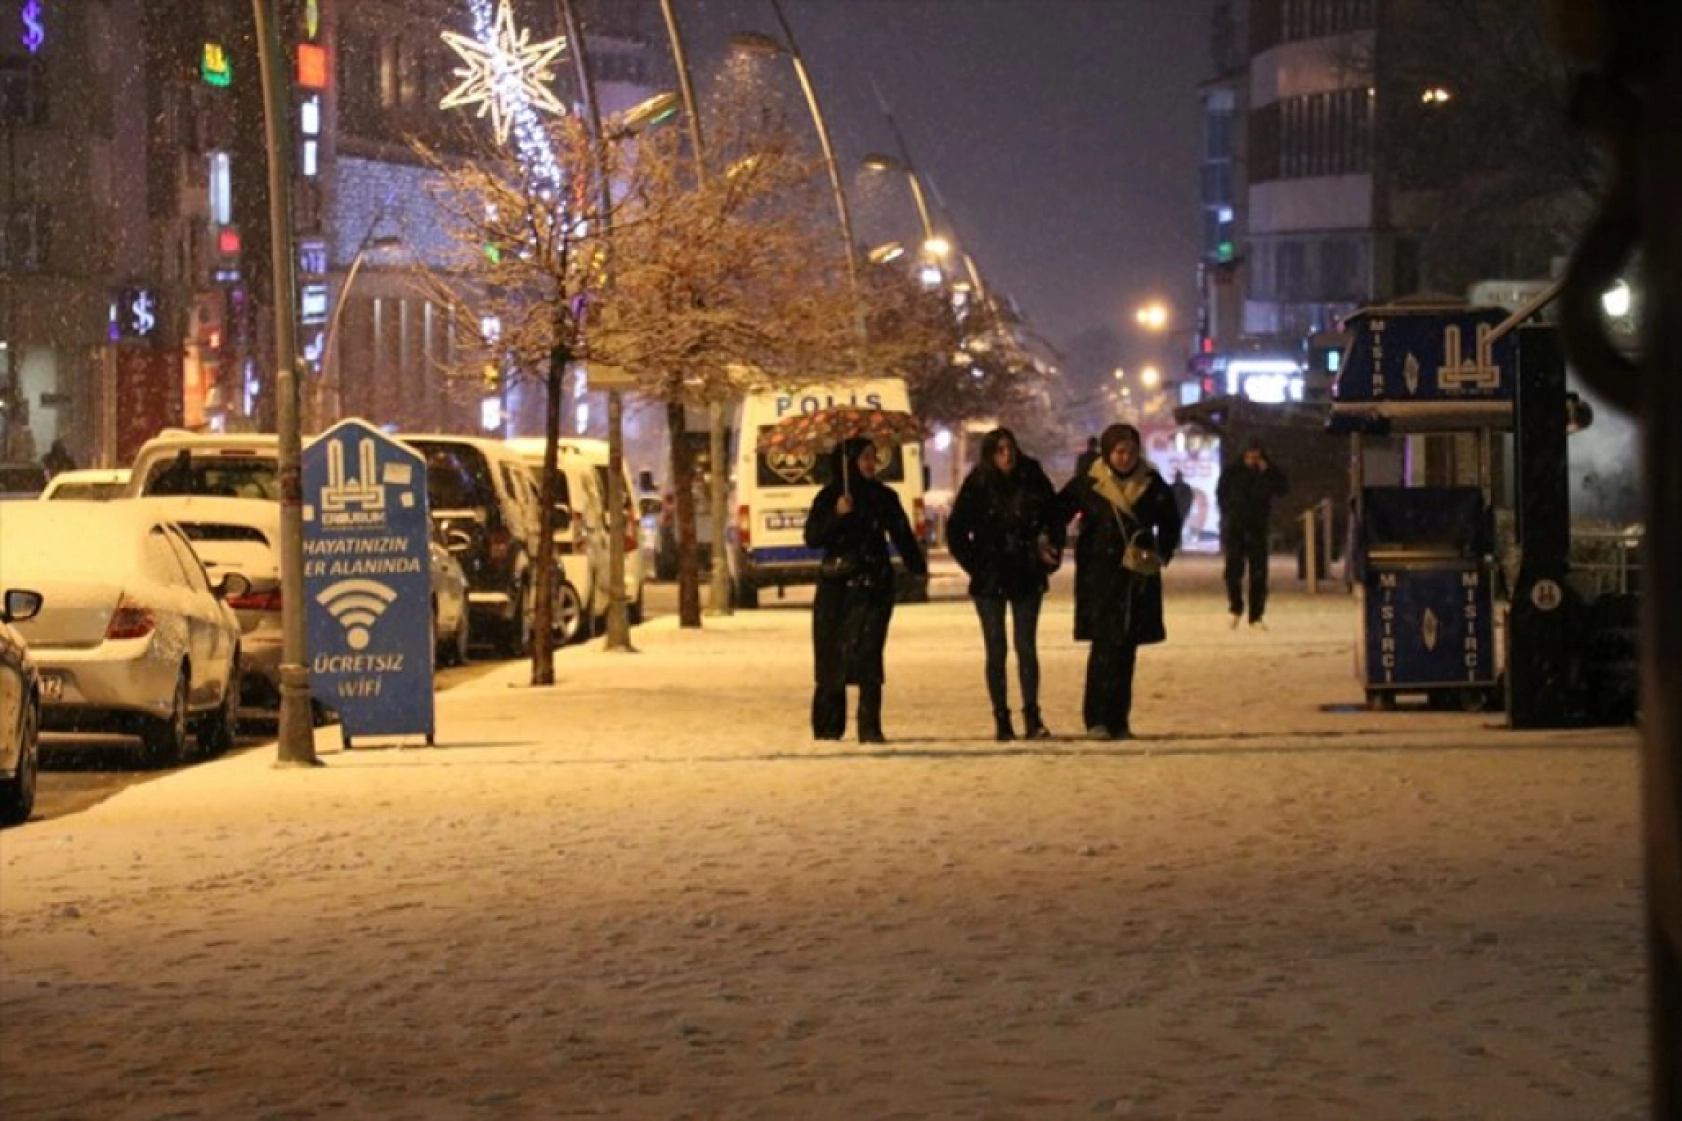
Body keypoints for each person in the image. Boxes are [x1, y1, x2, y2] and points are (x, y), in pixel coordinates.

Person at [1057, 422, 1182, 740]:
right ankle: (1096, 718)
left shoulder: (1152, 484)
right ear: (1108, 452)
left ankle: (1119, 719)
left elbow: (1170, 522)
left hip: (1135, 575)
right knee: (1103, 648)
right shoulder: (1090, 483)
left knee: (1126, 649)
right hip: (1099, 575)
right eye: (1119, 451)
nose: (1125, 458)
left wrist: (1160, 554)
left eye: (1130, 452)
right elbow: (1057, 512)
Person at [803, 437, 929, 743]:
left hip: (873, 586)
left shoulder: (883, 496)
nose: (871, 463)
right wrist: (837, 514)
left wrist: (917, 569)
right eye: (865, 458)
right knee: (832, 654)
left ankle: (869, 724)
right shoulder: (829, 496)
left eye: (874, 457)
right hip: (835, 587)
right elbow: (813, 537)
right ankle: (828, 726)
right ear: (848, 463)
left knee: (869, 653)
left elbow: (901, 535)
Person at [946, 428, 1066, 742]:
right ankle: (1002, 716)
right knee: (995, 648)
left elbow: (1054, 516)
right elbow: (956, 529)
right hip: (991, 575)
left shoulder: (1032, 476)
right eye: (999, 450)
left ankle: (1032, 714)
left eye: (1009, 448)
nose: (1006, 455)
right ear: (990, 454)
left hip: (1026, 571)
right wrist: (976, 564)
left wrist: (1050, 549)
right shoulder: (979, 482)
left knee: (1026, 646)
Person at [1216, 438, 1290, 629]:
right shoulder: (1232, 472)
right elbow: (1221, 494)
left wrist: (1267, 471)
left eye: (1256, 456)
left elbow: (1282, 489)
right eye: (1250, 456)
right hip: (1236, 528)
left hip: (1258, 528)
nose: (1253, 460)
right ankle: (1235, 608)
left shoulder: (1267, 471)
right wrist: (1229, 514)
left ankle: (1256, 615)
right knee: (1233, 571)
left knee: (1259, 574)